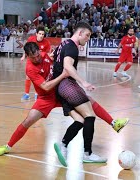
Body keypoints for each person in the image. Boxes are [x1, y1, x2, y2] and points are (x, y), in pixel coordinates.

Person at [0, 42, 129, 165]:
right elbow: (45, 87)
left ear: (39, 51)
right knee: (28, 121)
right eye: (33, 57)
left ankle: (113, 123)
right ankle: (8, 146)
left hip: (60, 93)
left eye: (37, 55)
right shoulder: (30, 68)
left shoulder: (45, 55)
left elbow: (55, 60)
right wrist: (63, 75)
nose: (37, 59)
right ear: (27, 57)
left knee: (85, 110)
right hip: (45, 98)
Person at [52, 22, 129, 166]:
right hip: (66, 84)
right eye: (87, 35)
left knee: (81, 120)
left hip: (59, 87)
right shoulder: (72, 47)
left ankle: (63, 145)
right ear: (79, 33)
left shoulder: (64, 44)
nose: (88, 39)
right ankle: (87, 154)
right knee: (90, 116)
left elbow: (54, 58)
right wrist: (84, 82)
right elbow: (67, 67)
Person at [20, 26, 51, 101]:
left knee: (40, 78)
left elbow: (48, 54)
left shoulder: (46, 43)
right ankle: (27, 94)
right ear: (36, 34)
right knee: (28, 77)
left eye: (43, 34)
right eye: (40, 34)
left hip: (40, 61)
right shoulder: (31, 39)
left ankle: (38, 94)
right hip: (31, 60)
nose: (41, 36)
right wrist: (23, 56)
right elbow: (26, 49)